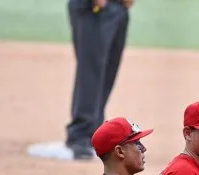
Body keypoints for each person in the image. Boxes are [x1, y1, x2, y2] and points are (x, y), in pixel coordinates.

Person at [28, 0, 134, 161]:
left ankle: (91, 138)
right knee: (92, 71)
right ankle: (81, 140)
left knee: (103, 73)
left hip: (116, 8)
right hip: (94, 7)